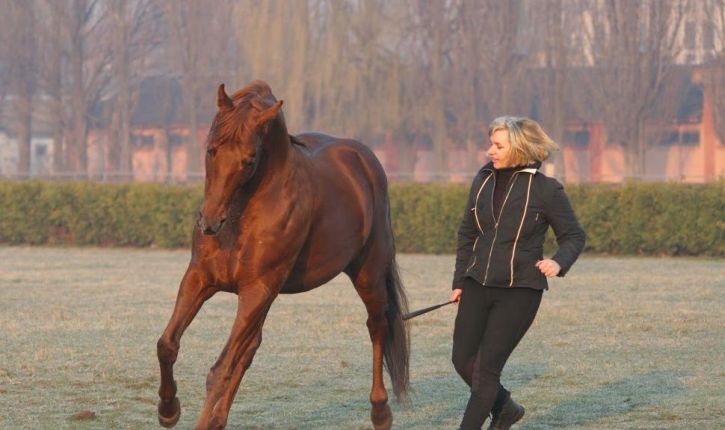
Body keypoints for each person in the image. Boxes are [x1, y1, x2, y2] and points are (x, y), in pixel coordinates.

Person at [449, 116, 585, 430]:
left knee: (485, 373)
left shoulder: (547, 190)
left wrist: (558, 262)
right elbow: (467, 233)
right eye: (491, 144)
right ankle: (506, 409)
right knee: (462, 360)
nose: (489, 151)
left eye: (498, 145)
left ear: (520, 148)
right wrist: (459, 280)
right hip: (476, 284)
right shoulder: (482, 180)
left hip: (520, 290)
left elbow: (574, 236)